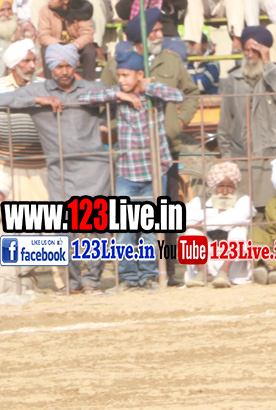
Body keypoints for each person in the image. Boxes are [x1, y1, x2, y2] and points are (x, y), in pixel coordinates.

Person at [0, 44, 112, 294]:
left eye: (68, 65)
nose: (64, 71)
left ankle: (92, 280)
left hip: (95, 169)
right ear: (51, 67)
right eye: (59, 66)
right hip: (59, 170)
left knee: (97, 227)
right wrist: (37, 100)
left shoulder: (91, 88)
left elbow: (114, 97)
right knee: (64, 227)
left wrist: (106, 125)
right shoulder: (38, 90)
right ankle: (72, 283)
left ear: (75, 65)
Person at [105, 8, 199, 285]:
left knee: (164, 215)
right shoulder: (115, 65)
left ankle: (163, 272)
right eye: (154, 31)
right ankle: (130, 275)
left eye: (160, 30)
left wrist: (178, 121)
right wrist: (118, 127)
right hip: (130, 157)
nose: (160, 35)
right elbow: (101, 101)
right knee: (129, 223)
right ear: (140, 37)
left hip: (165, 151)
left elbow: (188, 93)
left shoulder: (171, 60)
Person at [80, 50, 185, 289]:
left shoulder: (153, 94)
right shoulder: (118, 95)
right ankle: (128, 277)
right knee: (125, 229)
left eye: (126, 75)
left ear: (139, 74)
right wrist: (118, 94)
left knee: (149, 230)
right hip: (127, 172)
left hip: (154, 171)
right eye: (119, 75)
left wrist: (150, 87)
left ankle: (148, 275)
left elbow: (178, 95)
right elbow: (87, 96)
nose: (121, 80)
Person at [217, 26, 276, 209]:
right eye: (247, 50)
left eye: (255, 50)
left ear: (265, 50)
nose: (250, 54)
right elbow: (225, 123)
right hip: (242, 158)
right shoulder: (233, 80)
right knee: (244, 211)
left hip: (272, 156)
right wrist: (227, 158)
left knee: (273, 209)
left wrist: (268, 64)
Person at [183, 160, 255, 288]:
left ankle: (224, 272)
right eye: (220, 186)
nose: (225, 191)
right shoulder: (200, 201)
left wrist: (202, 224)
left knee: (238, 230)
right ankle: (202, 273)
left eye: (230, 186)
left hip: (232, 260)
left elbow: (236, 217)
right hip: (208, 254)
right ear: (213, 187)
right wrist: (217, 212)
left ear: (235, 187)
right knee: (191, 232)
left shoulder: (243, 199)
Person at [0, 40, 48, 206]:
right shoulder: (0, 88)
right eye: (26, 61)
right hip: (7, 167)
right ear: (13, 65)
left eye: (33, 60)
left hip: (41, 165)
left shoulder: (44, 86)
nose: (32, 66)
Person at [36, 0, 96, 80]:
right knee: (45, 50)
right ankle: (49, 83)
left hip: (76, 47)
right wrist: (62, 46)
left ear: (65, 0)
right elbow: (43, 36)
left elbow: (87, 34)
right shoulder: (46, 11)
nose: (49, 1)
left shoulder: (80, 10)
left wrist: (75, 46)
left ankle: (89, 83)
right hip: (56, 47)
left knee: (90, 51)